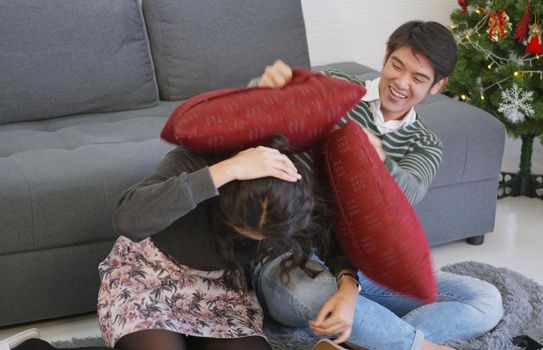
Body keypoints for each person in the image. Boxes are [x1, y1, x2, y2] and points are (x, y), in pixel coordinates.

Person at [251, 20, 504, 350]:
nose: (400, 83)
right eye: (397, 66)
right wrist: (266, 85)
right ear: (385, 56)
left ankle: (370, 338)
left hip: (358, 268)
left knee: (486, 300)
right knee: (306, 294)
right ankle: (413, 346)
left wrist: (377, 160)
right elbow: (265, 100)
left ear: (438, 85)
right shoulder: (339, 87)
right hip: (285, 257)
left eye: (418, 78)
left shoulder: (425, 144)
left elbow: (406, 193)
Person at [96, 134, 327, 350]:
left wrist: (348, 282)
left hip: (217, 290)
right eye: (242, 229)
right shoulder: (195, 160)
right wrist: (225, 171)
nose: (251, 240)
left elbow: (336, 233)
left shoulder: (292, 197)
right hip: (147, 276)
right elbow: (126, 217)